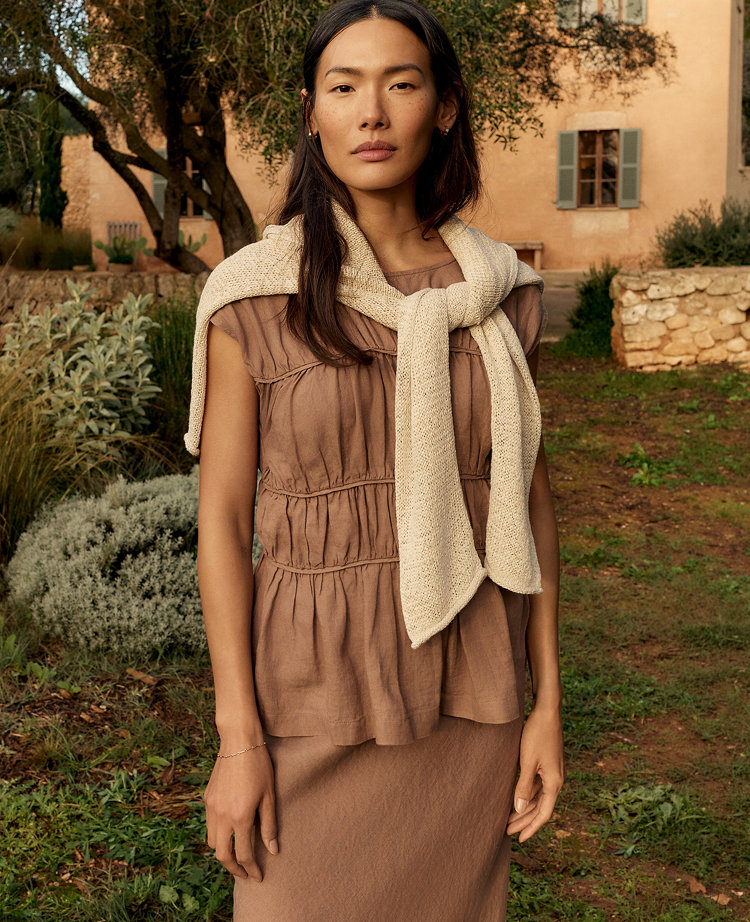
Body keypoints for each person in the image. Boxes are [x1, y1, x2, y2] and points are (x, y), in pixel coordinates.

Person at [186, 1, 564, 918]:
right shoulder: (255, 295)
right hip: (310, 690)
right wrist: (239, 741)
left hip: (470, 689)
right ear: (312, 114)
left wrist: (547, 703)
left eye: (401, 83)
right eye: (343, 86)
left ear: (443, 108)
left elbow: (527, 505)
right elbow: (224, 527)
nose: (372, 112)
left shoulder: (501, 295)